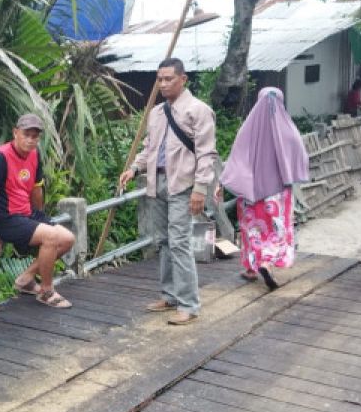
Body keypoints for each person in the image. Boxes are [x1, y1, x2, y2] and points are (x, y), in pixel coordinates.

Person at [118, 58, 218, 325]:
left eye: (168, 79)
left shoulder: (199, 110)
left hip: (183, 185)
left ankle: (188, 303)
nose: (163, 84)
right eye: (159, 79)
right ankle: (170, 295)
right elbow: (151, 147)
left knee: (179, 242)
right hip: (156, 182)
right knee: (162, 241)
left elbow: (207, 153)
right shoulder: (157, 113)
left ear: (182, 79)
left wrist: (200, 188)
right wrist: (135, 169)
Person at [0, 113, 77, 309]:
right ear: (15, 133)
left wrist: (38, 219)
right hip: (5, 218)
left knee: (67, 239)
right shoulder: (0, 157)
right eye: (26, 134)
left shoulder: (35, 154)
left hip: (26, 214)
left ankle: (26, 278)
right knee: (50, 236)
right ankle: (46, 291)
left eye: (35, 136)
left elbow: (36, 188)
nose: (31, 140)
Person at [219, 88, 310, 290]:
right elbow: (301, 157)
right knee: (276, 231)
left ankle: (252, 269)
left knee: (252, 231)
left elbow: (236, 161)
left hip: (250, 194)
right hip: (277, 195)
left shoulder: (247, 130)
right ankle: (266, 263)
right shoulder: (288, 131)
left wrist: (223, 184)